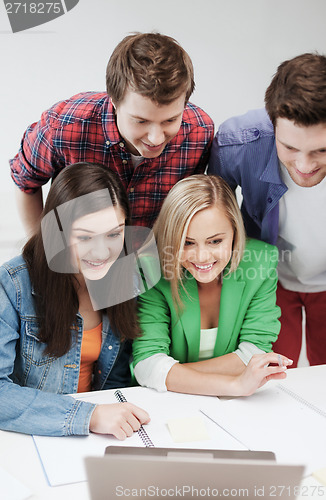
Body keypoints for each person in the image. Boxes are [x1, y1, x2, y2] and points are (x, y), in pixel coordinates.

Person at [10, 32, 214, 236]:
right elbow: (26, 183)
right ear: (114, 102)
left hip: (152, 253)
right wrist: (38, 250)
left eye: (170, 120)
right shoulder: (62, 126)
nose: (156, 138)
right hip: (74, 253)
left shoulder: (200, 133)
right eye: (141, 121)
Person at [0, 162, 150, 437]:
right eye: (85, 237)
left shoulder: (126, 277)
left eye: (114, 234)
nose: (102, 251)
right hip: (34, 435)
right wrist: (88, 416)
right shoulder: (11, 284)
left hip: (98, 434)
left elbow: (115, 379)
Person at [208, 52, 326, 368]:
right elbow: (212, 219)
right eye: (290, 148)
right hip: (267, 278)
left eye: (321, 150)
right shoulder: (237, 144)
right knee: (269, 375)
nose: (304, 166)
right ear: (272, 124)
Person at [132, 175, 292, 397]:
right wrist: (235, 385)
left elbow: (255, 353)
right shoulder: (151, 269)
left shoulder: (261, 261)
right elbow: (147, 363)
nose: (202, 256)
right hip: (169, 402)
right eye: (187, 242)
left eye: (215, 241)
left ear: (235, 232)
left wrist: (167, 374)